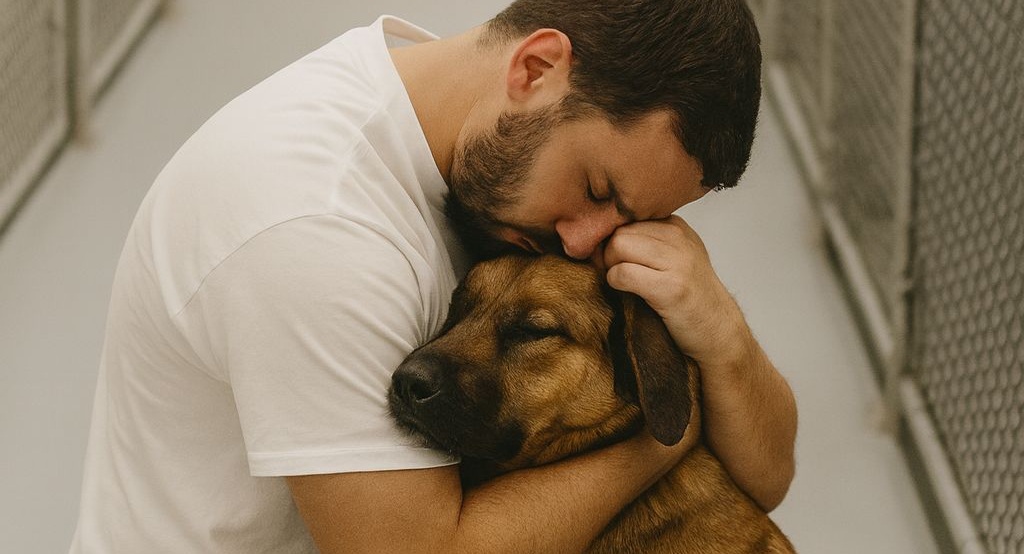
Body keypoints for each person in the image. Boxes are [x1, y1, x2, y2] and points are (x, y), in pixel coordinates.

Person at [70, 0, 797, 552]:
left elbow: (766, 479)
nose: (583, 244)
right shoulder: (315, 224)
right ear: (535, 70)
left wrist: (719, 330)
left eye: (625, 219)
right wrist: (662, 438)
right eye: (598, 188)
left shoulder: (483, 173)